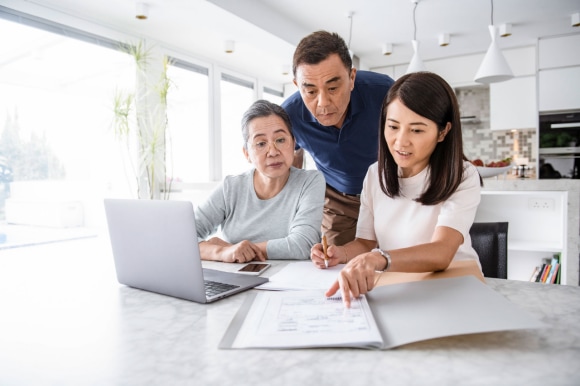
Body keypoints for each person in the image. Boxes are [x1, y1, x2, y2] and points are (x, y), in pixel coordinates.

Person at [310, 72, 483, 307]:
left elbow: (441, 252)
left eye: (417, 130)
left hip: (456, 287)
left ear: (443, 132)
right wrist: (340, 253)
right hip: (402, 286)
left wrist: (379, 258)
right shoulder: (375, 174)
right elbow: (364, 243)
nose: (401, 141)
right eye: (393, 127)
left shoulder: (462, 175)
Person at [281, 30, 395, 246]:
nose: (323, 103)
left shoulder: (385, 92)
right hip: (338, 201)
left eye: (333, 88)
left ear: (352, 78)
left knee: (397, 259)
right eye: (311, 91)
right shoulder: (289, 116)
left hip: (389, 191)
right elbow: (288, 163)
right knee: (334, 264)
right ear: (297, 86)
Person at [195, 99, 326, 263]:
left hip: (290, 282)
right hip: (237, 279)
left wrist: (234, 249)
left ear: (293, 143)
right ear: (247, 154)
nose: (272, 151)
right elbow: (184, 235)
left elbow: (302, 244)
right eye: (261, 143)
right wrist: (221, 252)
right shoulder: (230, 187)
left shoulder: (310, 181)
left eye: (280, 140)